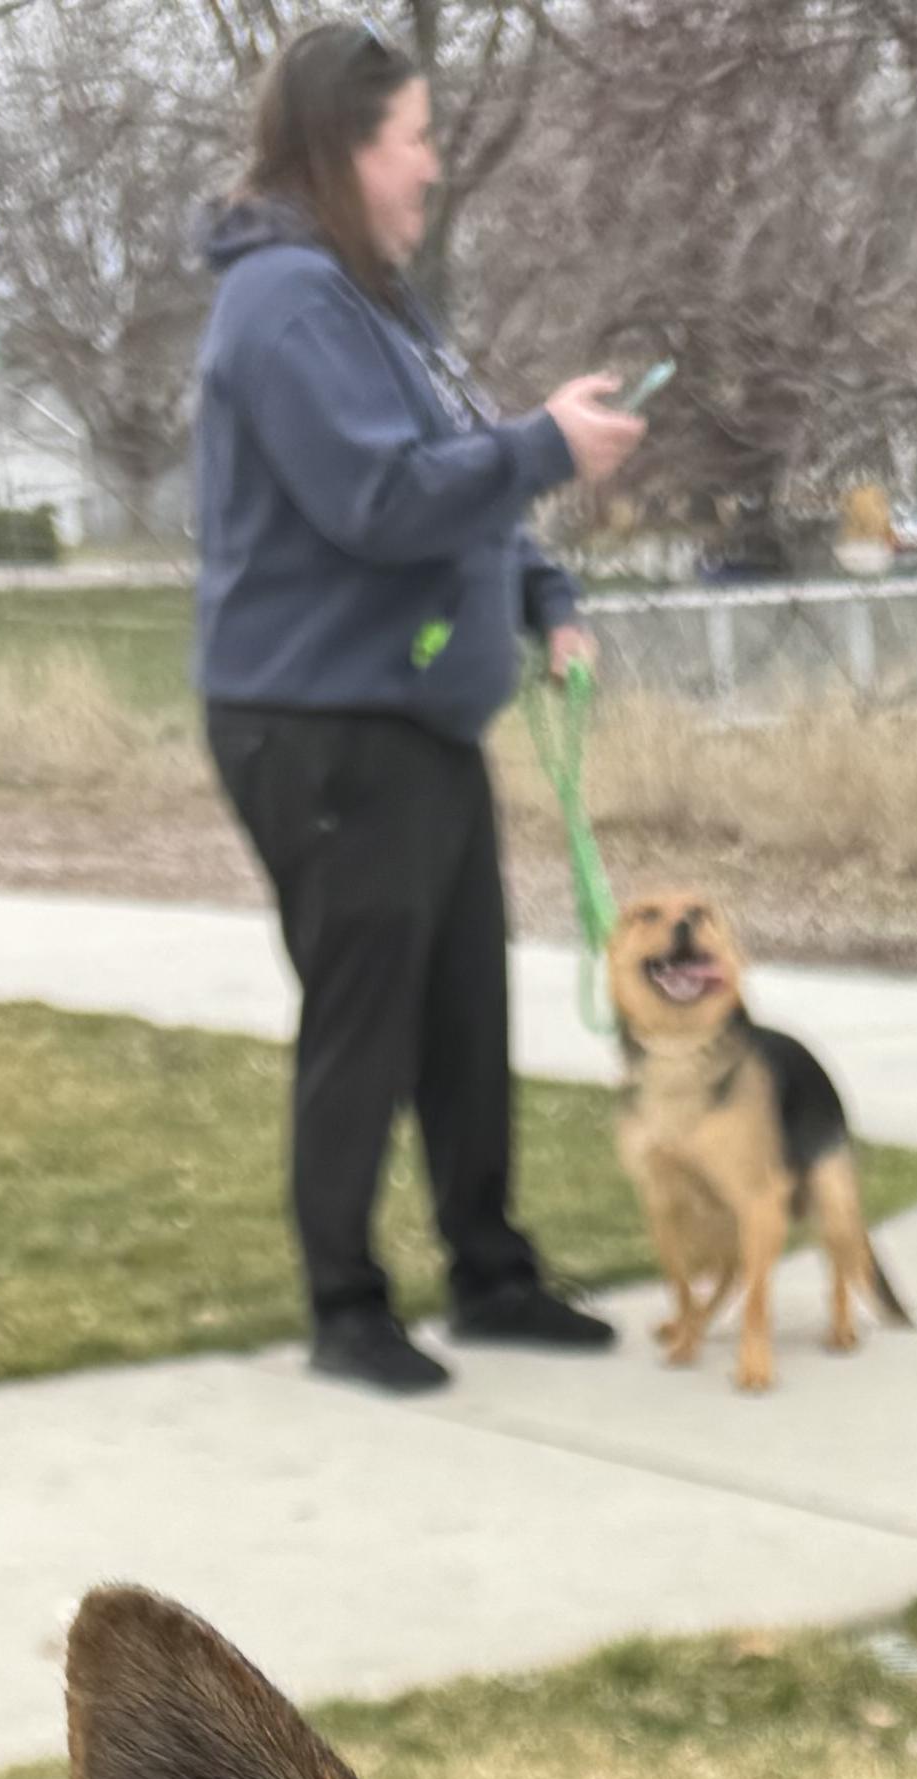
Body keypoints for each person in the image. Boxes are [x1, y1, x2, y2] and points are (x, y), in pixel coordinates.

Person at [192, 24, 646, 1397]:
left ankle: (490, 1271)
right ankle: (347, 1304)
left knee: (459, 1006)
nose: (433, 170)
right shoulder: (286, 304)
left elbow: (456, 476)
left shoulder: (377, 302)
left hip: (415, 720)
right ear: (347, 148)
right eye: (417, 141)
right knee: (365, 1016)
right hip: (321, 723)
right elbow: (378, 503)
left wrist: (544, 591)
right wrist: (546, 448)